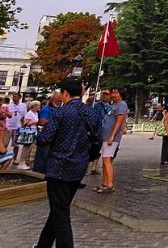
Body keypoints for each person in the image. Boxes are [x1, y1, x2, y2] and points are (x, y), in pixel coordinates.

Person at [34, 79, 102, 248]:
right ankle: (43, 244)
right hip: (78, 168)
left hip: (59, 166)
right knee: (59, 208)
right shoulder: (92, 113)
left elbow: (44, 139)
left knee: (61, 211)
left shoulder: (61, 113)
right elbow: (98, 141)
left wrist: (39, 135)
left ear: (65, 93)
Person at [96, 88, 128, 194]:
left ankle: (109, 184)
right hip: (106, 136)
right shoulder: (115, 105)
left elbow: (119, 121)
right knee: (105, 160)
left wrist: (112, 136)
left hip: (111, 137)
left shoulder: (121, 105)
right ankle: (105, 183)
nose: (114, 94)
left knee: (107, 160)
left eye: (116, 93)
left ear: (120, 95)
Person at [33, 93, 62, 174]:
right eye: (59, 99)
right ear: (53, 99)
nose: (60, 100)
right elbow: (42, 121)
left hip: (54, 138)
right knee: (42, 158)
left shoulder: (59, 108)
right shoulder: (46, 109)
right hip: (45, 137)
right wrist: (56, 120)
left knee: (49, 159)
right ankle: (37, 175)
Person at [87, 90, 111, 175]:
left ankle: (94, 166)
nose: (104, 96)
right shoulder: (95, 106)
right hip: (95, 129)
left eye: (106, 95)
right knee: (92, 147)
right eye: (103, 94)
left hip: (105, 130)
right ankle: (87, 166)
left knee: (99, 149)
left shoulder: (110, 107)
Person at [16, 99, 40, 170]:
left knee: (29, 148)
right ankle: (21, 162)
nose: (39, 107)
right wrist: (34, 122)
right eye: (38, 105)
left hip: (33, 131)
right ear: (34, 106)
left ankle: (24, 162)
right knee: (26, 148)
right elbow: (25, 124)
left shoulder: (36, 113)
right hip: (28, 132)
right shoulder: (29, 113)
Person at [6, 92, 27, 162]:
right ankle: (2, 157)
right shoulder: (9, 105)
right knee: (5, 143)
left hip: (17, 127)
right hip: (8, 126)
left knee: (16, 144)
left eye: (15, 96)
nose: (13, 98)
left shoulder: (23, 106)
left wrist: (23, 126)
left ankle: (15, 158)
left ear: (19, 98)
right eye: (13, 96)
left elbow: (24, 116)